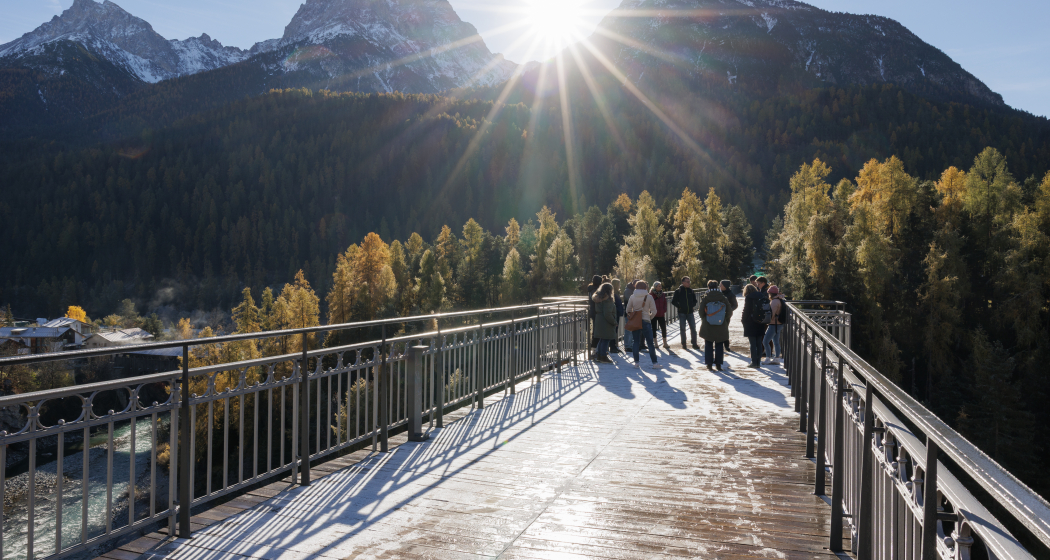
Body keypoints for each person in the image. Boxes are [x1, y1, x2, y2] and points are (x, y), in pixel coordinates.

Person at [699, 280, 735, 371]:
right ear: (717, 287)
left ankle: (709, 364)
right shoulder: (723, 297)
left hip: (708, 324)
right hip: (721, 324)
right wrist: (724, 320)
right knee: (719, 344)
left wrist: (705, 319)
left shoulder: (705, 297)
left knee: (708, 344)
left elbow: (700, 311)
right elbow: (730, 311)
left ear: (708, 287)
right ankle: (718, 364)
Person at [626, 280, 662, 369]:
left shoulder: (632, 297)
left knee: (636, 342)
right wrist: (649, 317)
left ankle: (636, 363)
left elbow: (628, 310)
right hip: (646, 321)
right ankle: (655, 363)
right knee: (650, 343)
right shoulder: (649, 297)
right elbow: (654, 311)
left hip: (636, 322)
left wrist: (633, 316)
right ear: (645, 287)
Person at [740, 284, 768, 368]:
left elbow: (746, 310)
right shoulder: (761, 296)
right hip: (760, 321)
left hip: (750, 322)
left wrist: (743, 320)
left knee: (752, 343)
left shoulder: (748, 298)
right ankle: (758, 362)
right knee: (759, 342)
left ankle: (753, 362)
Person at [591, 283, 618, 364]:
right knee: (606, 339)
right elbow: (607, 314)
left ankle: (599, 355)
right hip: (606, 322)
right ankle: (603, 356)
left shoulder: (598, 297)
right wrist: (614, 322)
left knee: (602, 339)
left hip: (599, 320)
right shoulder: (607, 299)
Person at [671, 277, 699, 350]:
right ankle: (683, 343)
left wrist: (692, 305)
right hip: (682, 313)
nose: (688, 283)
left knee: (693, 328)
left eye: (689, 282)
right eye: (687, 282)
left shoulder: (691, 291)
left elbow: (695, 301)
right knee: (682, 328)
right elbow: (673, 301)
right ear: (683, 282)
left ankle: (694, 343)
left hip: (690, 312)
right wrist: (680, 306)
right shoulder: (678, 291)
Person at [763, 285, 787, 365]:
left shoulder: (774, 301)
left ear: (770, 294)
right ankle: (777, 358)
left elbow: (771, 314)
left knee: (765, 341)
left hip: (774, 324)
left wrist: (766, 321)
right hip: (779, 324)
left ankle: (768, 358)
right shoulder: (780, 299)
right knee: (776, 342)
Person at [650, 281, 670, 350]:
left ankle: (665, 343)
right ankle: (655, 343)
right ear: (655, 287)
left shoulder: (663, 294)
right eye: (659, 286)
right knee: (654, 329)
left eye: (660, 286)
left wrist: (664, 309)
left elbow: (665, 302)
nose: (660, 287)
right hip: (654, 314)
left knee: (663, 328)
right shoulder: (651, 294)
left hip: (661, 313)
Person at [719, 280, 737, 354]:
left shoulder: (730, 294)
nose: (720, 286)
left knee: (725, 329)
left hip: (726, 315)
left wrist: (728, 311)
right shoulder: (718, 293)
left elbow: (735, 305)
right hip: (718, 314)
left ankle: (726, 345)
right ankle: (718, 345)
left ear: (725, 286)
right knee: (718, 329)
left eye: (721, 285)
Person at [586, 275, 602, 353]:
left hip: (592, 310)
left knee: (596, 330)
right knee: (597, 330)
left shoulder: (591, 289)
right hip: (596, 311)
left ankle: (594, 347)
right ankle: (594, 347)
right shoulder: (596, 291)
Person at [622, 279, 637, 350]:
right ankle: (627, 346)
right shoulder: (628, 291)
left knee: (631, 330)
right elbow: (630, 301)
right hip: (629, 313)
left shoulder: (632, 290)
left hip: (632, 313)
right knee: (628, 330)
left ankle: (630, 344)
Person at [611, 278, 624, 353]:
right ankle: (612, 346)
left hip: (617, 313)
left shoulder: (616, 293)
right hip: (615, 314)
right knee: (614, 330)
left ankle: (614, 346)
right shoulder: (614, 294)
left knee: (615, 330)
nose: (620, 285)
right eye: (619, 284)